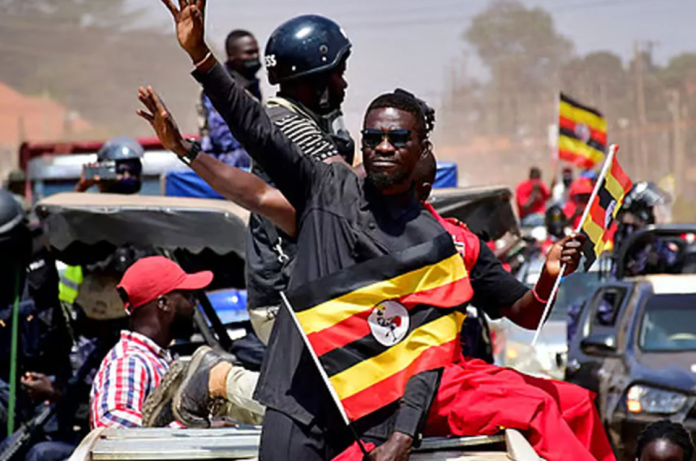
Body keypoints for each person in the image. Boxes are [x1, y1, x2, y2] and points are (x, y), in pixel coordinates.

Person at [148, 12, 354, 348]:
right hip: (288, 297)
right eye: (338, 74)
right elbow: (337, 188)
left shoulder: (319, 118)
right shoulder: (288, 124)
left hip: (309, 284)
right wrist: (200, 54)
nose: (344, 85)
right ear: (315, 78)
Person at [89, 256, 211, 429]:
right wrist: (188, 429)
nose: (193, 305)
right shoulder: (130, 360)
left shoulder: (155, 358)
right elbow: (110, 420)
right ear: (163, 303)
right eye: (188, 297)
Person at [198, 30, 261, 167]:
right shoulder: (219, 87)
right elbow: (222, 138)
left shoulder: (250, 84)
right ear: (232, 56)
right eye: (249, 53)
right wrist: (260, 133)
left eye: (256, 52)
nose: (255, 57)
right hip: (223, 161)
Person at [75, 137, 143, 195]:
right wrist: (82, 186)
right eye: (119, 170)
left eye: (133, 170)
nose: (126, 176)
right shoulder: (93, 202)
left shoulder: (143, 203)